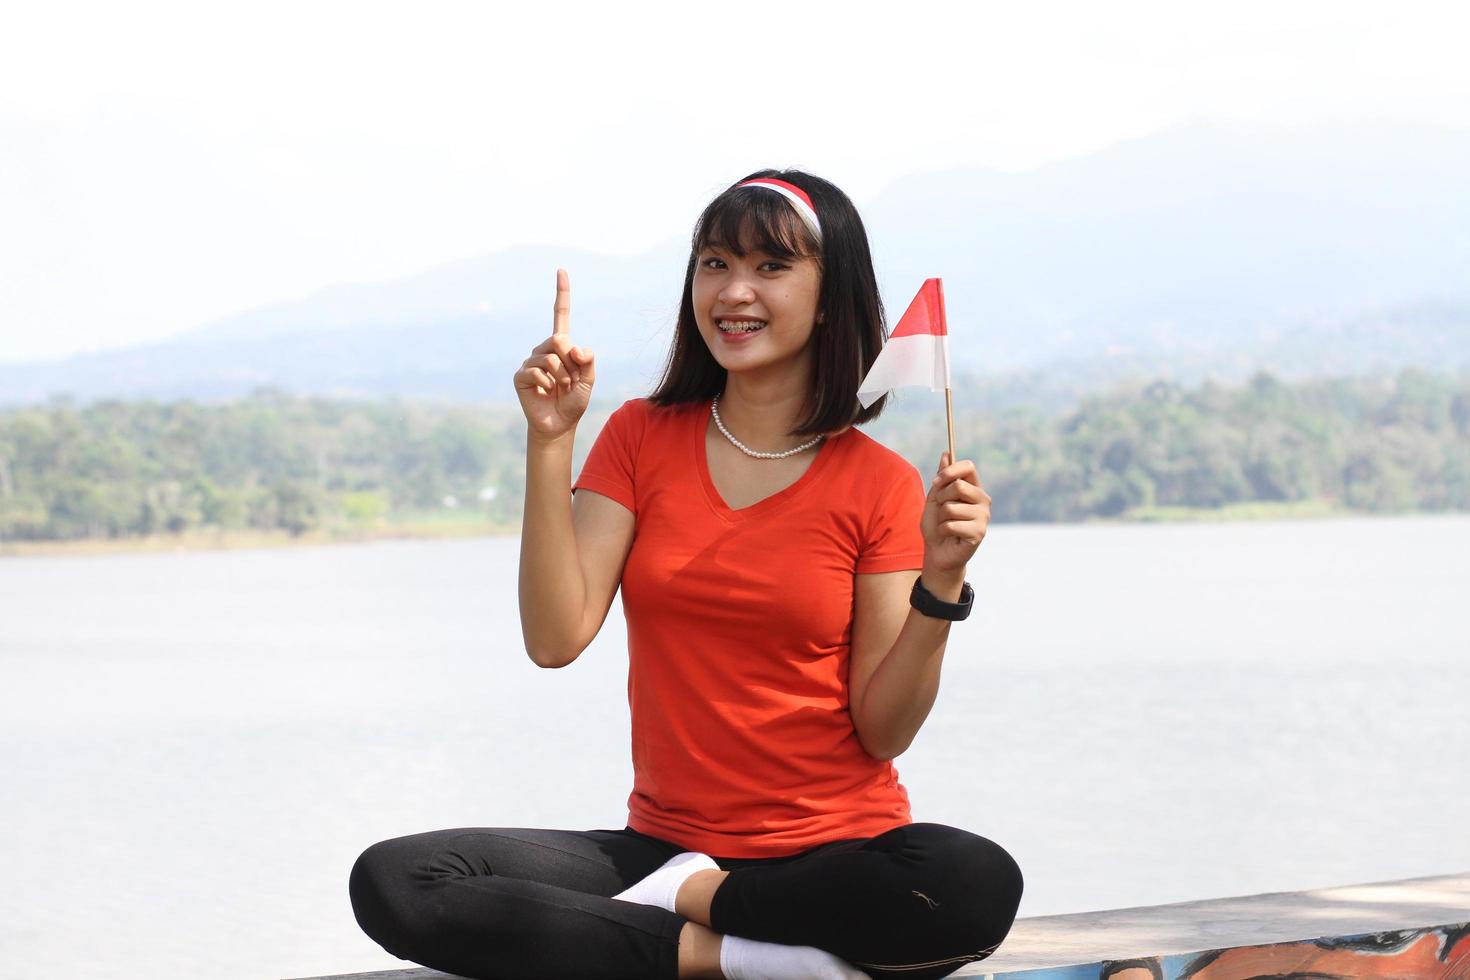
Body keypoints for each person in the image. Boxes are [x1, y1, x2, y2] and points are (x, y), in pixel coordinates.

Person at [349, 170, 1023, 980]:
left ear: (829, 295)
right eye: (714, 262)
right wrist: (551, 440)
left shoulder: (878, 481)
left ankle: (702, 916)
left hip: (832, 856)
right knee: (399, 882)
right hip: (659, 850)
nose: (734, 291)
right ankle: (751, 957)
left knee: (969, 883)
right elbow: (555, 638)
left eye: (771, 267)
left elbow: (884, 731)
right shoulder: (639, 437)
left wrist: (942, 584)